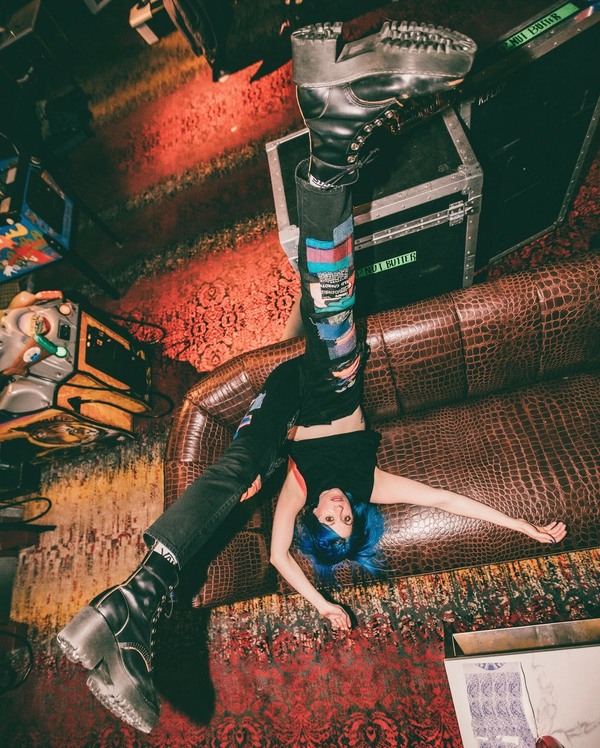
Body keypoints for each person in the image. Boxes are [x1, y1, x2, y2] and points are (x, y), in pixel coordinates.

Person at [57, 20, 566, 734]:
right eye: (343, 516)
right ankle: (129, 605)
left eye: (326, 521)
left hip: (286, 402)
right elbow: (450, 500)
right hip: (328, 376)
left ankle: (331, 142)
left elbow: (277, 555)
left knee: (248, 464)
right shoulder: (368, 484)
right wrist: (524, 526)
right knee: (326, 346)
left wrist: (321, 603)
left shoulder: (299, 489)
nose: (335, 508)